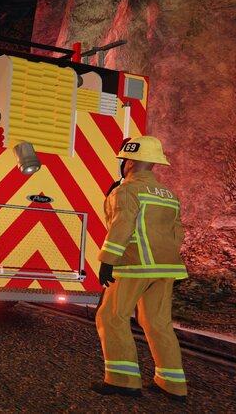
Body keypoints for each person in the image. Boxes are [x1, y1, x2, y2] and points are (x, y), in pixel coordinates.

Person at [92, 135, 188, 403]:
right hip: (166, 268)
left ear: (129, 161)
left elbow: (121, 226)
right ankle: (173, 384)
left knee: (111, 317)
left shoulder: (128, 191)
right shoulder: (169, 194)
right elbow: (177, 233)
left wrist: (108, 260)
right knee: (157, 322)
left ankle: (123, 380)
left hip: (134, 265)